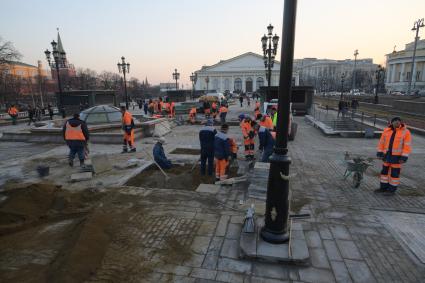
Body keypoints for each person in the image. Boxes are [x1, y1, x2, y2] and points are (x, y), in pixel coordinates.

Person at [375, 117, 412, 195]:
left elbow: (407, 146)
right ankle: (383, 188)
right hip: (386, 156)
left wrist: (404, 157)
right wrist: (379, 153)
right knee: (384, 172)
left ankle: (391, 190)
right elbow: (381, 143)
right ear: (392, 123)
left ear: (401, 122)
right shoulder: (386, 130)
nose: (397, 122)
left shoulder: (406, 132)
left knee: (394, 174)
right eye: (395, 121)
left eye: (399, 121)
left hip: (397, 158)